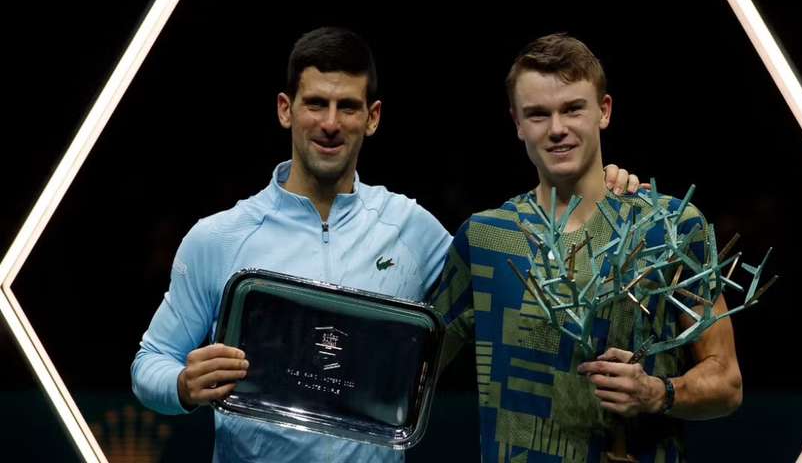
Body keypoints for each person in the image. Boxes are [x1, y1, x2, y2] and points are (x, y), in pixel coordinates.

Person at [131, 26, 641, 462]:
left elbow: (509, 276)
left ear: (372, 117)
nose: (330, 123)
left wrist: (599, 191)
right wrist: (181, 385)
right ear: (286, 110)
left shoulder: (412, 228)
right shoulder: (218, 237)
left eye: (347, 107)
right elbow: (150, 362)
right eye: (316, 104)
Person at [433, 33, 742, 463]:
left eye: (573, 109)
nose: (557, 129)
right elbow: (409, 372)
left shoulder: (668, 227)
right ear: (517, 123)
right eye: (538, 114)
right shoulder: (484, 239)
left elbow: (727, 382)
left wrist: (658, 392)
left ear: (604, 111)